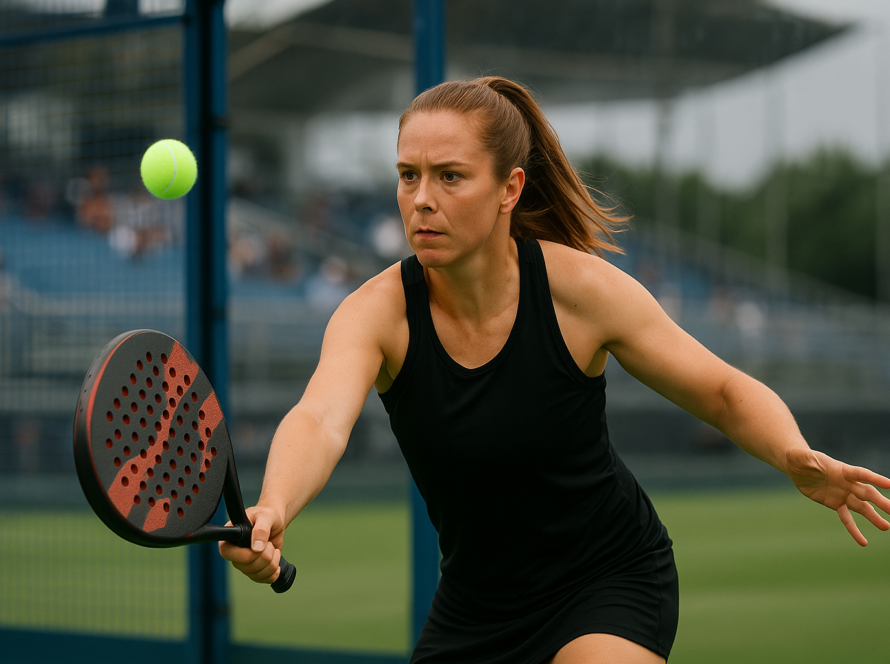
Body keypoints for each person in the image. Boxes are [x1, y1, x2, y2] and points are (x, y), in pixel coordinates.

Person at [219, 77, 890, 663]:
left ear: (510, 187)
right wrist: (275, 505)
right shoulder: (376, 312)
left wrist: (794, 454)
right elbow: (319, 420)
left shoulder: (582, 292)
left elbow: (719, 388)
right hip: (476, 606)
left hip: (610, 577)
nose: (421, 199)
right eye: (407, 175)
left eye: (449, 176)